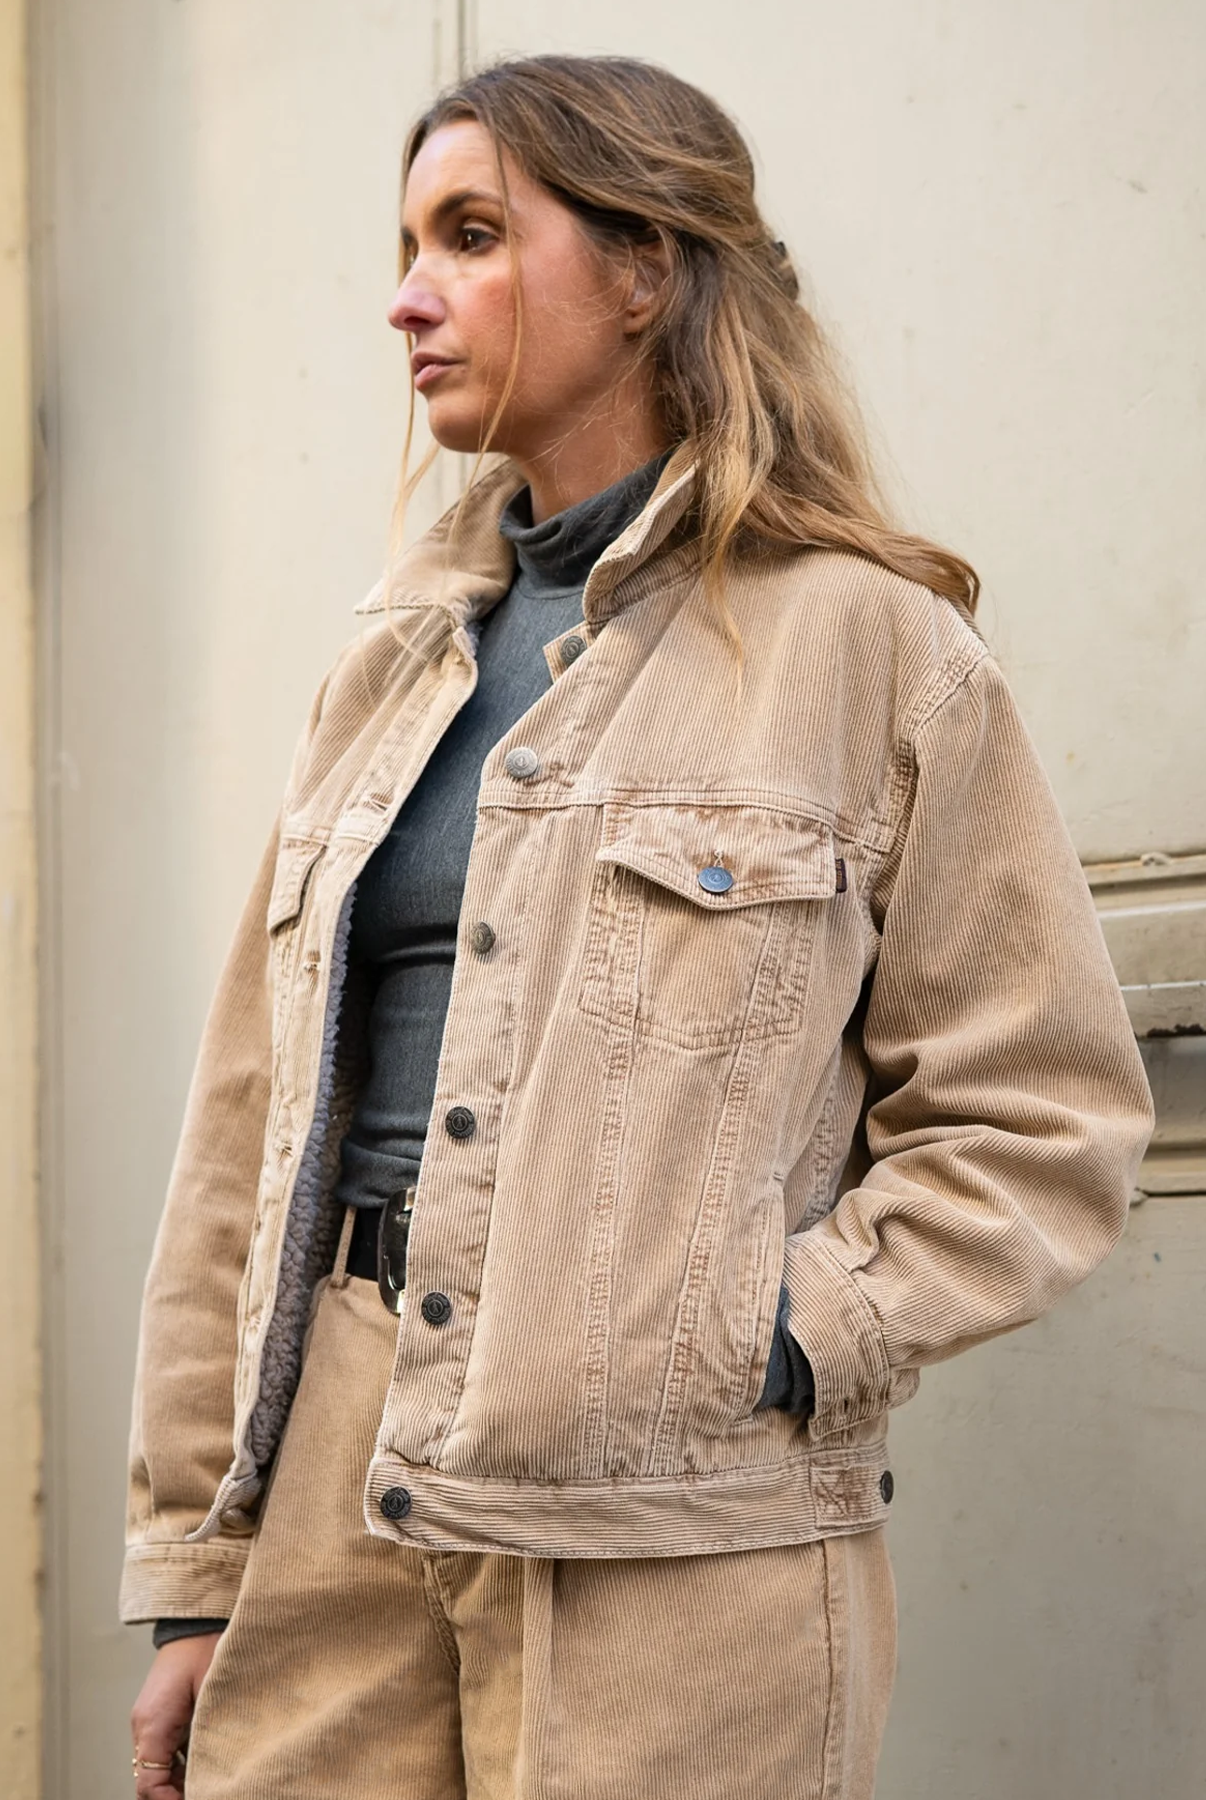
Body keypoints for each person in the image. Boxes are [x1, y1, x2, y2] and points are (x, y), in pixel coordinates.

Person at [125, 52, 1152, 1800]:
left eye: (470, 236)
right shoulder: (388, 667)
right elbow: (244, 1134)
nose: (408, 297)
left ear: (643, 269)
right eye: (407, 245)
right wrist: (196, 1577)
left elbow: (1041, 1119)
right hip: (331, 1506)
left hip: (675, 1539)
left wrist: (767, 1334)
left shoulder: (867, 649)